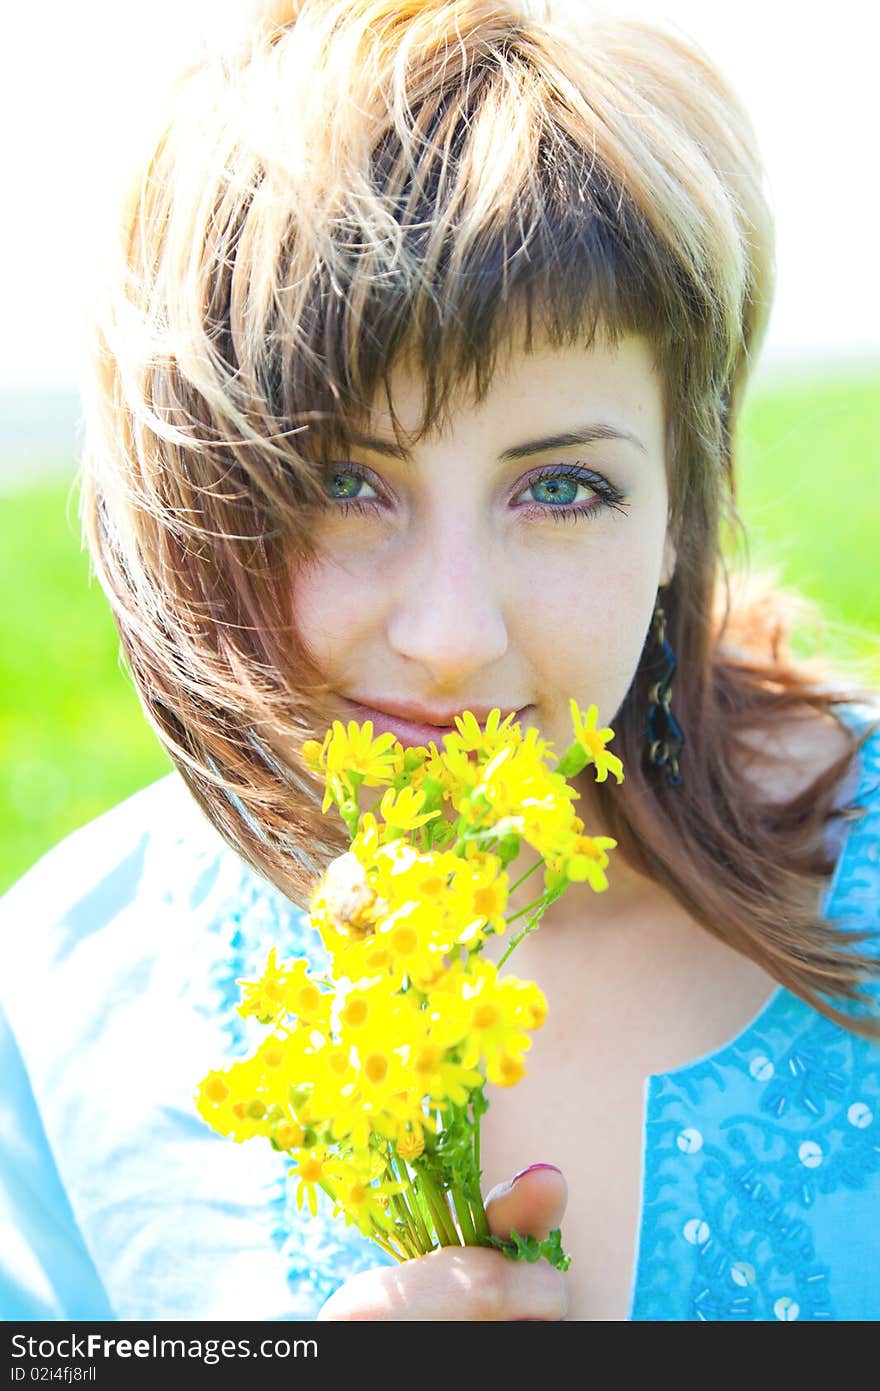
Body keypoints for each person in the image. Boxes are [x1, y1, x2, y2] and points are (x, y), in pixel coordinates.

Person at [1, 0, 879, 1323]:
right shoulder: (63, 999)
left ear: (680, 516)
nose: (452, 636)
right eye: (343, 480)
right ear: (184, 489)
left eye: (566, 488)